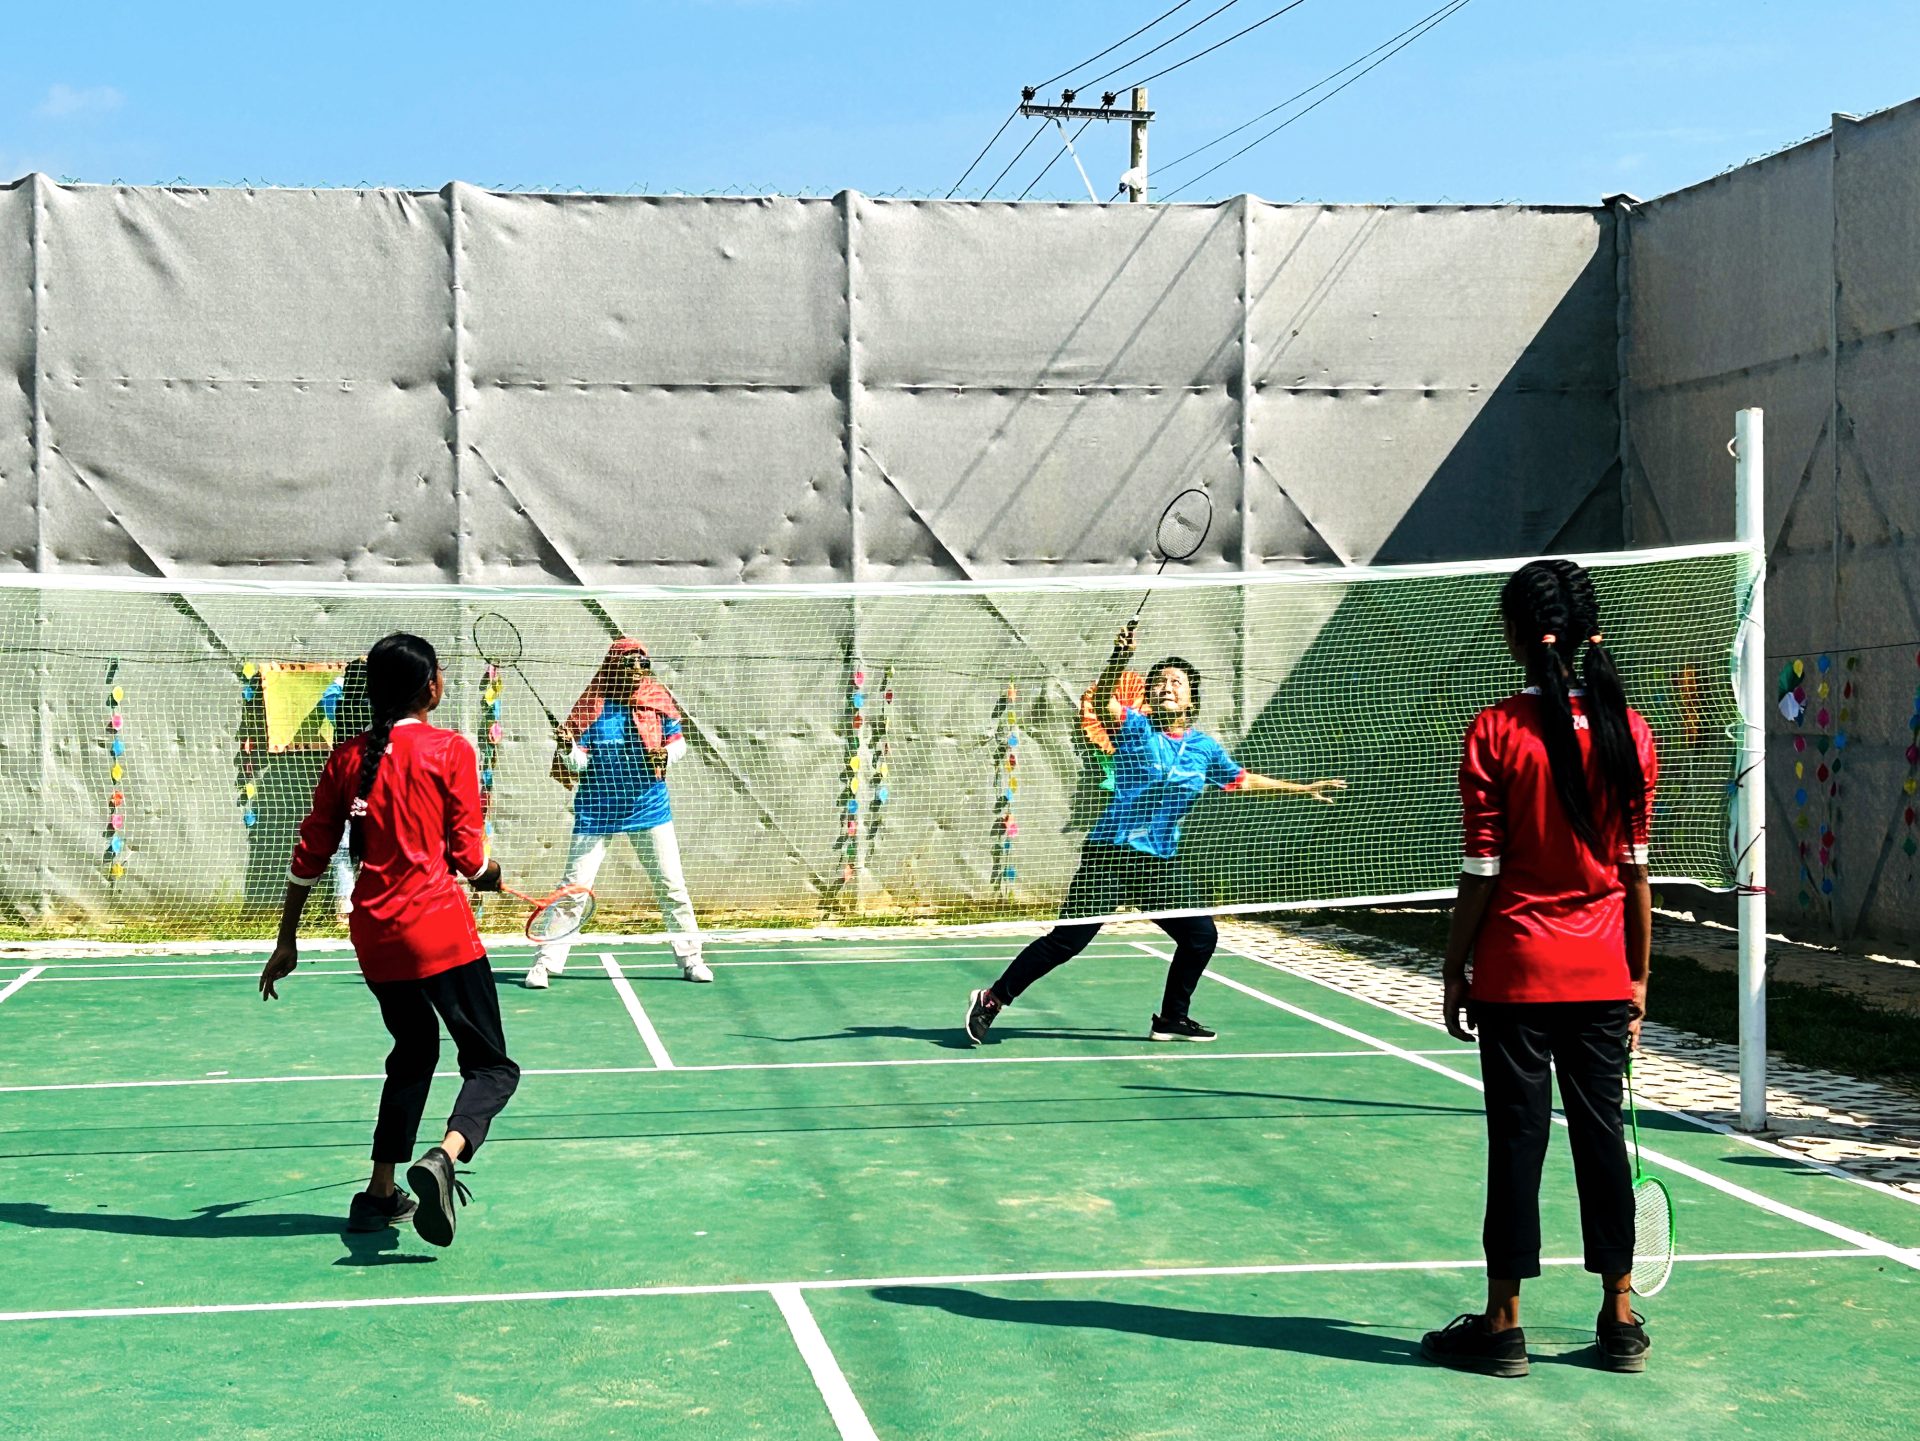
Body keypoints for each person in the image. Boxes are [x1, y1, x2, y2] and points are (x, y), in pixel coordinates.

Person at [1421, 559, 1658, 1378]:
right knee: (1601, 1140)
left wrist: (1455, 966)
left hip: (1516, 975)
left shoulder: (1495, 730)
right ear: (1595, 628)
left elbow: (1482, 871)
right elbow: (1635, 872)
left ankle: (1503, 1323)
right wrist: (1637, 979)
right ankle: (1620, 1317)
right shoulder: (1634, 731)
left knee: (1516, 1141)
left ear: (1518, 635)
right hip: (1599, 974)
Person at [259, 633, 518, 1250]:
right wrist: (492, 878)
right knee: (492, 1068)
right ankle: (446, 1156)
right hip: (440, 934)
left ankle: (378, 1195)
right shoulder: (449, 749)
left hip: (375, 939)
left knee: (412, 1053)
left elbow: (308, 857)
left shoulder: (346, 758)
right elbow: (469, 856)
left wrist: (287, 940)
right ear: (429, 687)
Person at [966, 624, 1345, 1045]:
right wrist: (1119, 658)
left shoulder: (1204, 748)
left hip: (1158, 863)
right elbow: (1107, 696)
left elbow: (1241, 780)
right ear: (1149, 696)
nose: (1166, 686)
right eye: (1160, 681)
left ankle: (1171, 1019)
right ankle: (992, 999)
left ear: (1191, 699)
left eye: (1176, 682)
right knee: (1066, 943)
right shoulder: (1135, 728)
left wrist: (1302, 788)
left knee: (1200, 936)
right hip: (1110, 854)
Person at [524, 638, 710, 988]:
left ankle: (692, 959)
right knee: (574, 890)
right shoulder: (592, 707)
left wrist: (667, 756)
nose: (639, 671)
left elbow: (678, 741)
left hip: (648, 806)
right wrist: (568, 748)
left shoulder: (656, 699)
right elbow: (579, 765)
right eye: (631, 665)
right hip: (597, 809)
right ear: (614, 667)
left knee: (671, 887)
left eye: (643, 664)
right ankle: (546, 963)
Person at [318, 656, 370, 919]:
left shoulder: (341, 700)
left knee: (344, 845)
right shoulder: (373, 703)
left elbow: (327, 700)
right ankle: (356, 902)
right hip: (367, 779)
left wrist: (342, 682)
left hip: (346, 777)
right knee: (359, 845)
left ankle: (344, 905)